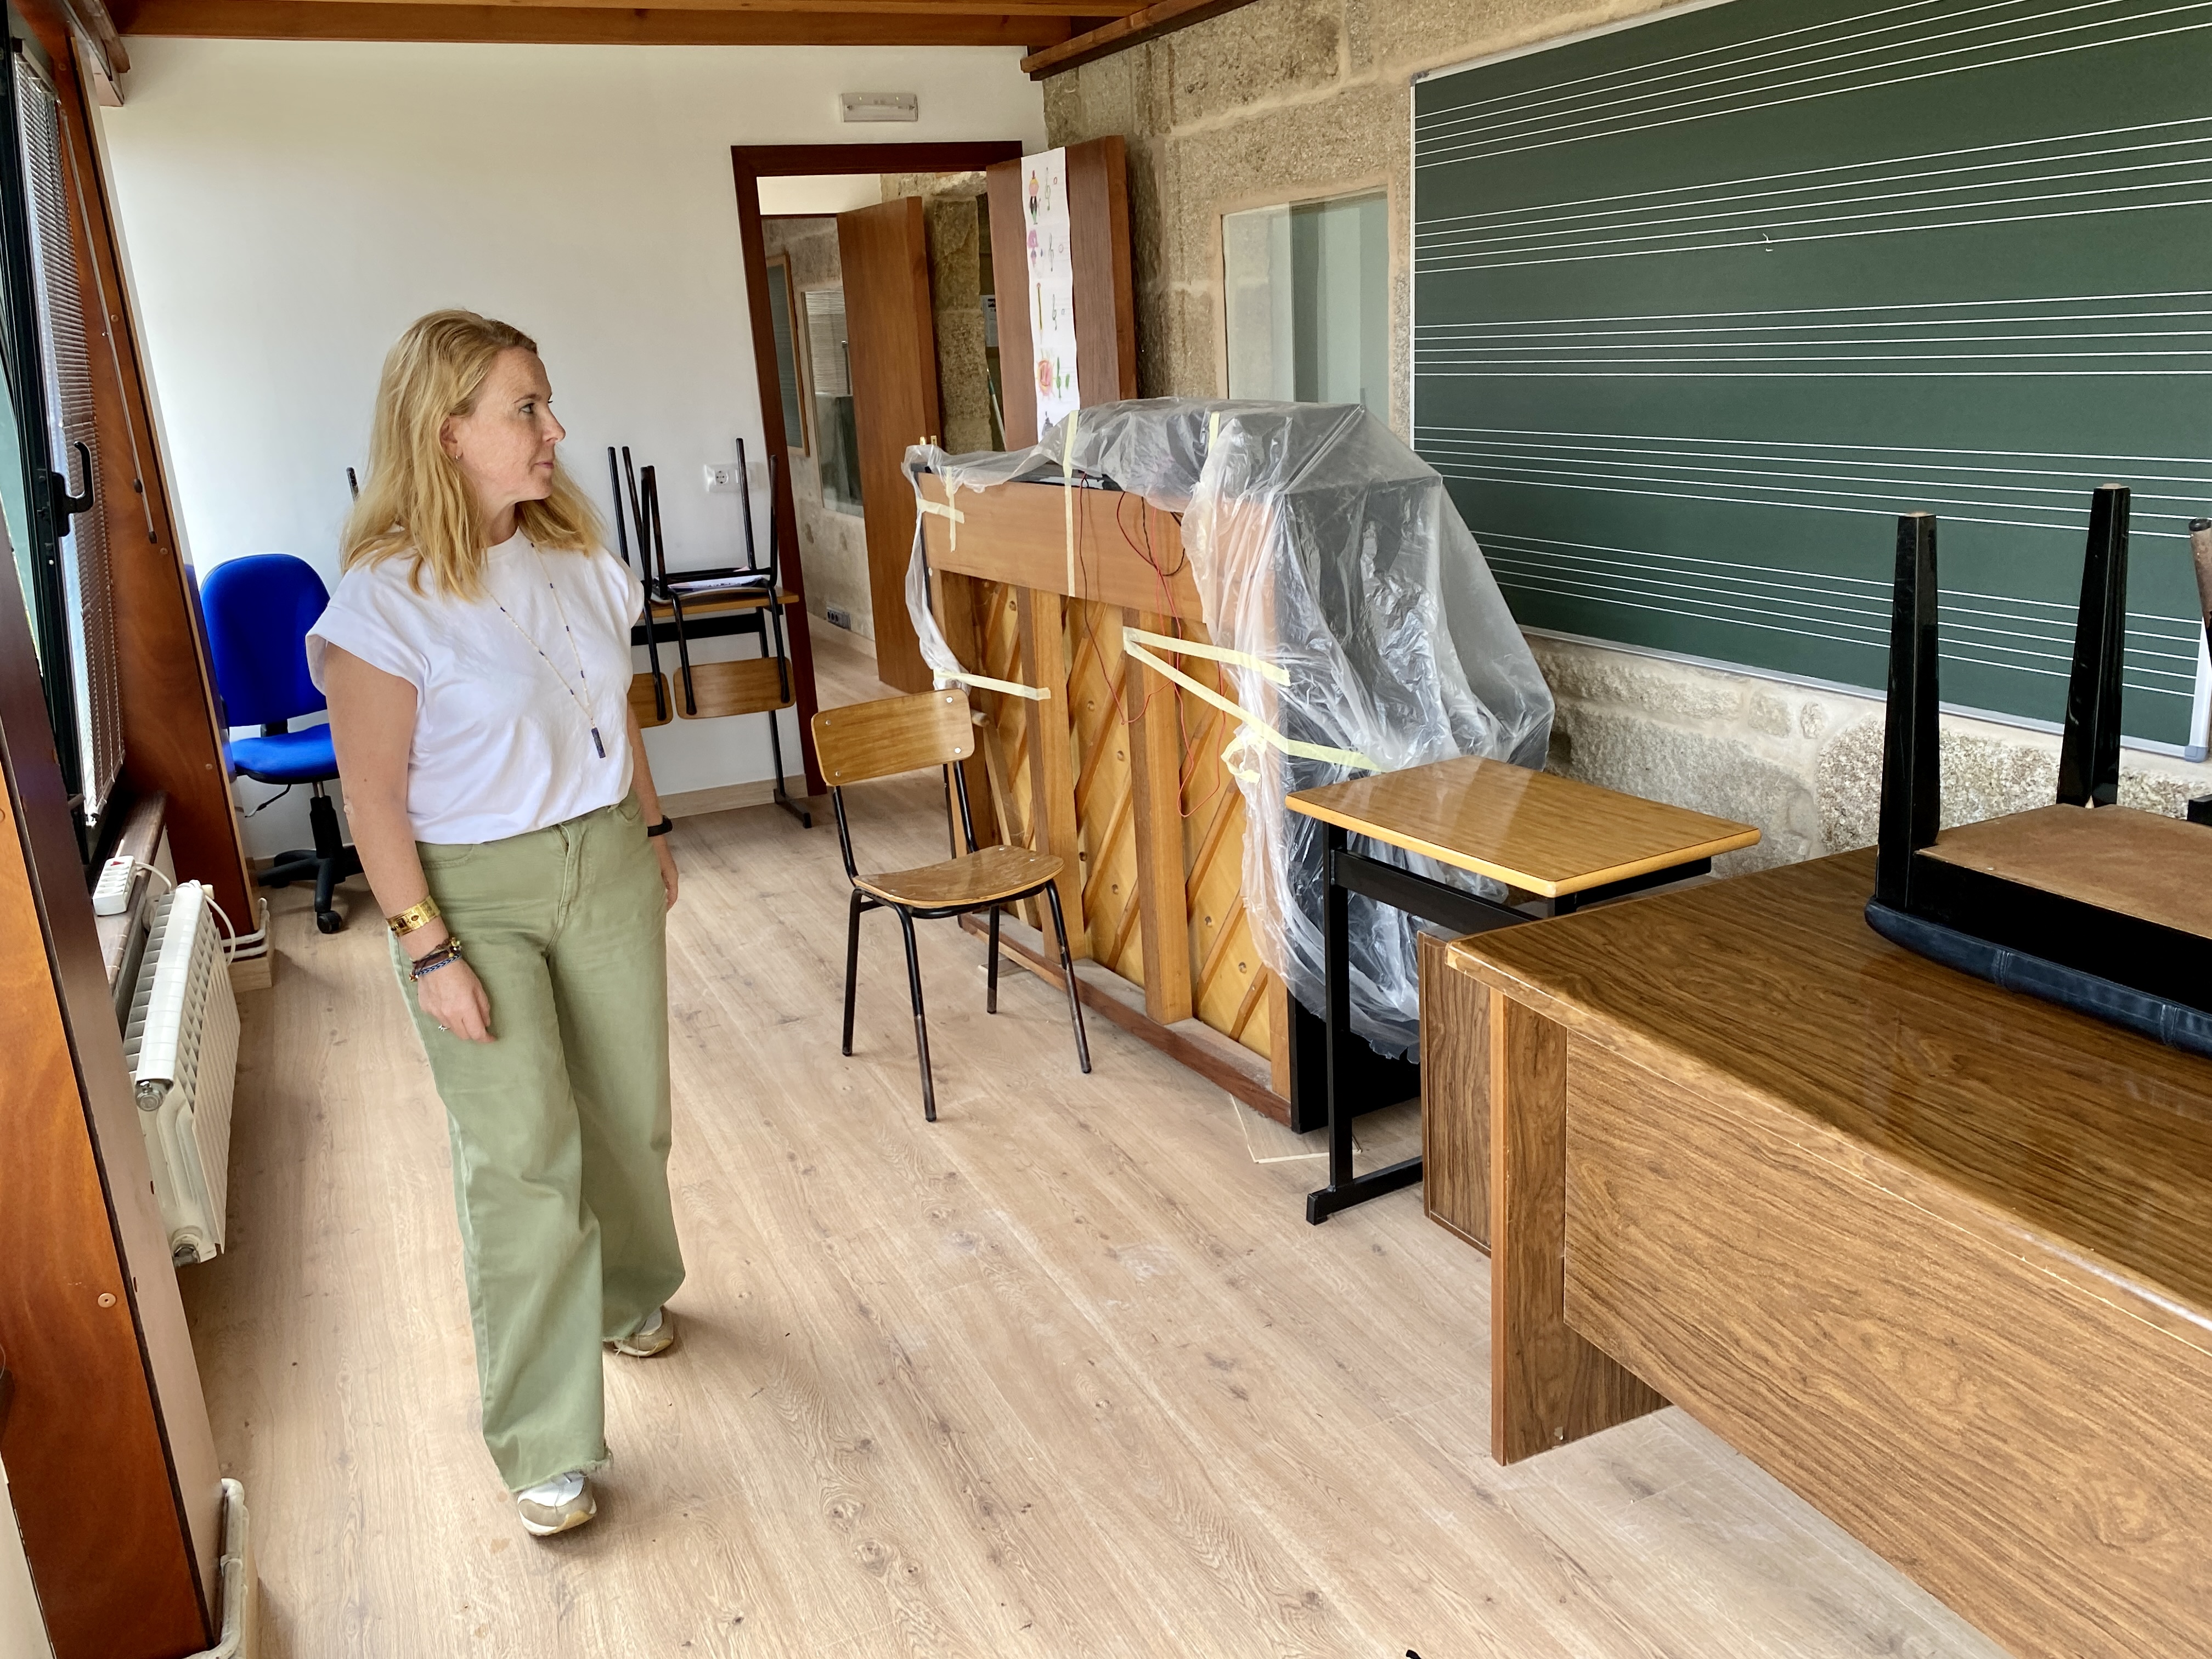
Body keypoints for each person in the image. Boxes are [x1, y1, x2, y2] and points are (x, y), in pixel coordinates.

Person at [311, 309, 685, 1537]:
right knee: (523, 1159)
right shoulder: (384, 604)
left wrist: (652, 828)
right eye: (525, 408)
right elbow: (372, 799)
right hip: (473, 892)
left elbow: (611, 709)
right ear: (446, 432)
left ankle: (630, 1295)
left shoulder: (579, 559)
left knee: (629, 1115)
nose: (553, 428)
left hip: (606, 857)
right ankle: (544, 1440)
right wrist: (428, 948)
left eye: (546, 402)